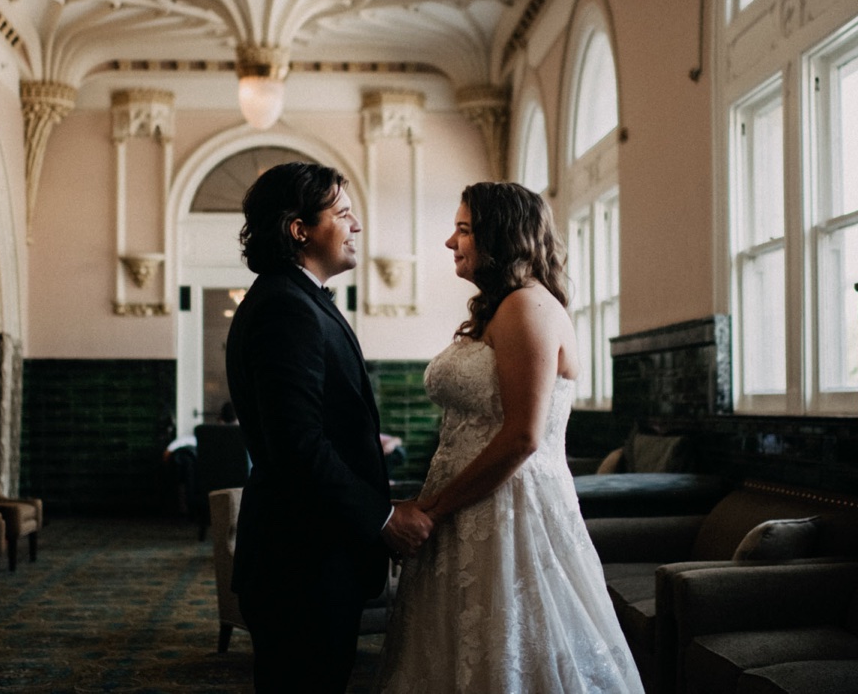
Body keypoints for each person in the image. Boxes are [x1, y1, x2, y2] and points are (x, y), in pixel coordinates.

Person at [376, 181, 642, 694]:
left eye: (463, 230)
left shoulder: (527, 308)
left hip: (507, 511)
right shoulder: (500, 309)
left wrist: (431, 508)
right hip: (469, 507)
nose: (451, 243)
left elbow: (523, 437)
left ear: (500, 236)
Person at [225, 161, 434, 693]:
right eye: (342, 213)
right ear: (300, 229)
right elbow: (299, 445)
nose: (356, 225)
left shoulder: (299, 298)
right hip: (301, 563)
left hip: (311, 556)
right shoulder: (285, 308)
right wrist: (382, 517)